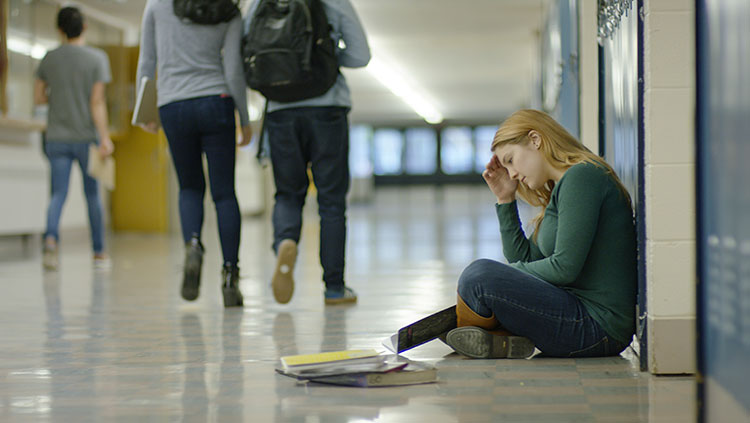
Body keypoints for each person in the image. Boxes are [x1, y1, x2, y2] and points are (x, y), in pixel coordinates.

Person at [444, 109, 637, 359]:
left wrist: (501, 278)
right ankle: (492, 334)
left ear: (535, 140)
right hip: (579, 316)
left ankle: (486, 331)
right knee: (481, 277)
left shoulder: (583, 176)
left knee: (479, 275)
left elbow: (563, 268)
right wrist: (505, 199)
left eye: (511, 160)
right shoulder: (562, 187)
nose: (512, 174)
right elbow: (524, 259)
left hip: (596, 327)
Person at [244, 0, 370, 305]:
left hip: (280, 111)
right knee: (331, 201)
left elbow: (247, 48)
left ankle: (286, 240)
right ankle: (335, 287)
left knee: (287, 193)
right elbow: (360, 54)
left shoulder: (259, 3)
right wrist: (324, 56)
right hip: (327, 107)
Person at [135, 0, 252, 307]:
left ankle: (194, 245)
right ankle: (230, 278)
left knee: (189, 187)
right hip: (216, 100)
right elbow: (233, 69)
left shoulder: (157, 6)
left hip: (173, 105)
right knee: (224, 193)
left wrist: (143, 110)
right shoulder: (228, 9)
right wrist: (245, 117)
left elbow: (147, 62)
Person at [34, 6, 115, 271]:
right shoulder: (97, 59)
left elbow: (39, 97)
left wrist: (59, 98)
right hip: (86, 138)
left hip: (56, 136)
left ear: (59, 30)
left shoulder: (49, 58)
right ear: (86, 27)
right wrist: (104, 137)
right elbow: (97, 102)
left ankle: (50, 241)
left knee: (57, 193)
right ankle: (99, 252)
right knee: (92, 196)